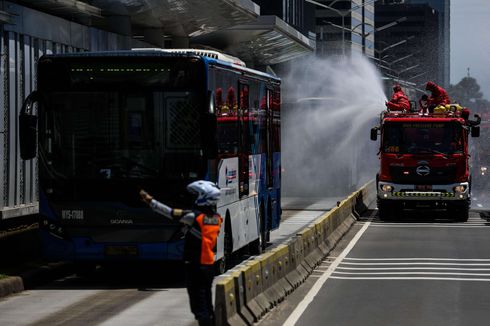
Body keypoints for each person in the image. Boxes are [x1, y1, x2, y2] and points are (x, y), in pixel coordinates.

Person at [139, 180, 223, 326]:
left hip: (195, 266)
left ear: (203, 197)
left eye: (197, 195)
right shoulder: (217, 219)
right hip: (208, 266)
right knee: (207, 303)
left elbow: (170, 213)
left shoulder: (195, 218)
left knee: (199, 306)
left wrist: (150, 201)